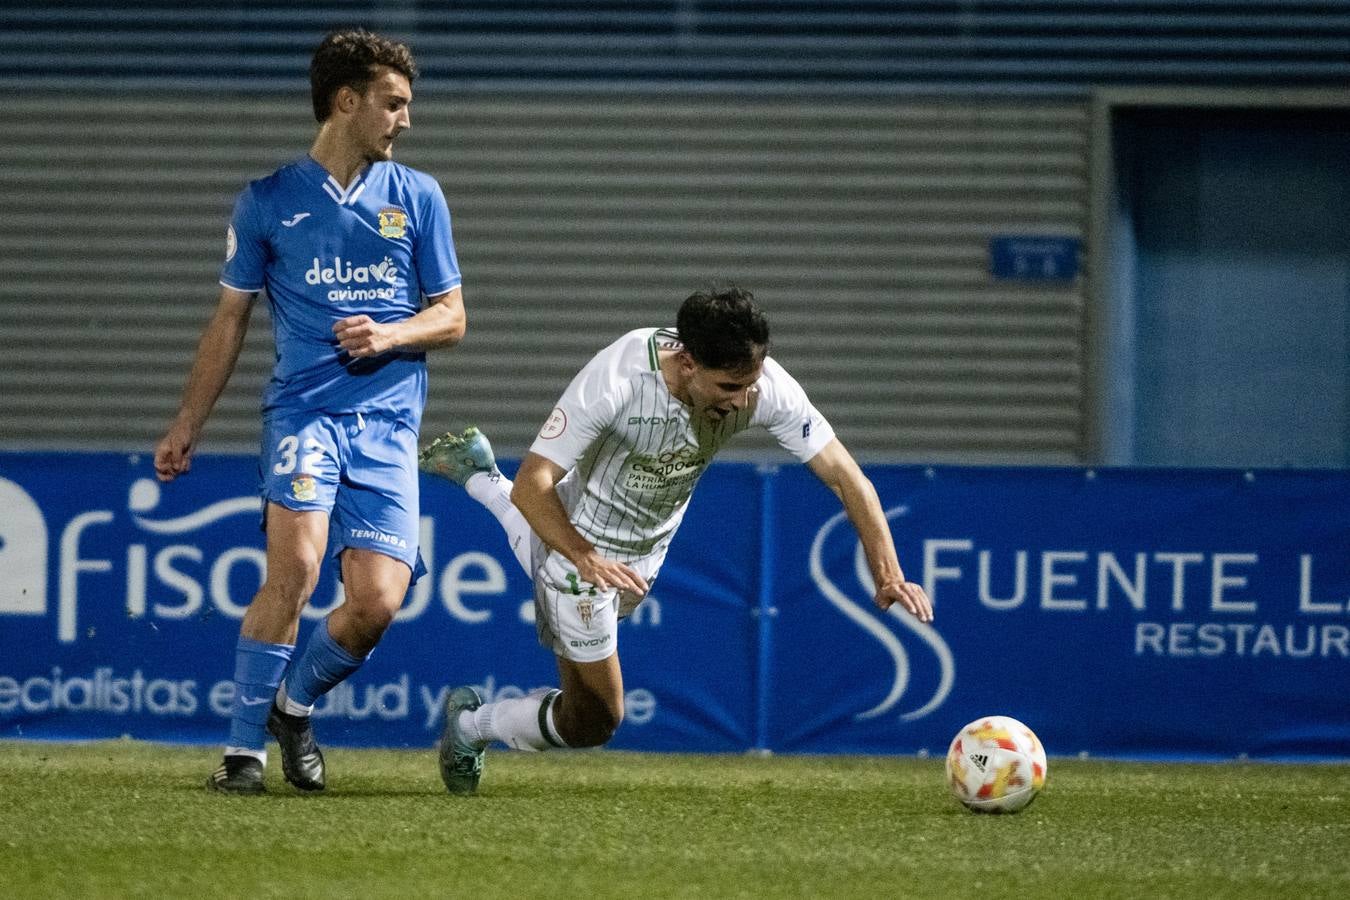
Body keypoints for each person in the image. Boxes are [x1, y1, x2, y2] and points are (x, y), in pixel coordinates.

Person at [418, 285, 933, 794]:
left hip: (643, 554)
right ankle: (470, 728)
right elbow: (534, 486)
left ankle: (481, 478)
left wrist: (888, 574)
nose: (742, 402)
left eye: (749, 384)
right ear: (686, 361)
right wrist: (583, 555)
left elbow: (848, 478)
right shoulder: (616, 378)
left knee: (582, 714)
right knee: (600, 720)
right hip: (579, 545)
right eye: (729, 388)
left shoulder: (761, 387)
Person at [153, 28, 466, 795]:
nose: (405, 119)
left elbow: (453, 316)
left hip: (389, 427)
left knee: (378, 604)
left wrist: (391, 332)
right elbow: (229, 321)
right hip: (303, 416)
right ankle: (240, 756)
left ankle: (292, 706)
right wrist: (187, 420)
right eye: (394, 103)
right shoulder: (266, 201)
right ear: (347, 101)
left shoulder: (418, 197)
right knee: (293, 566)